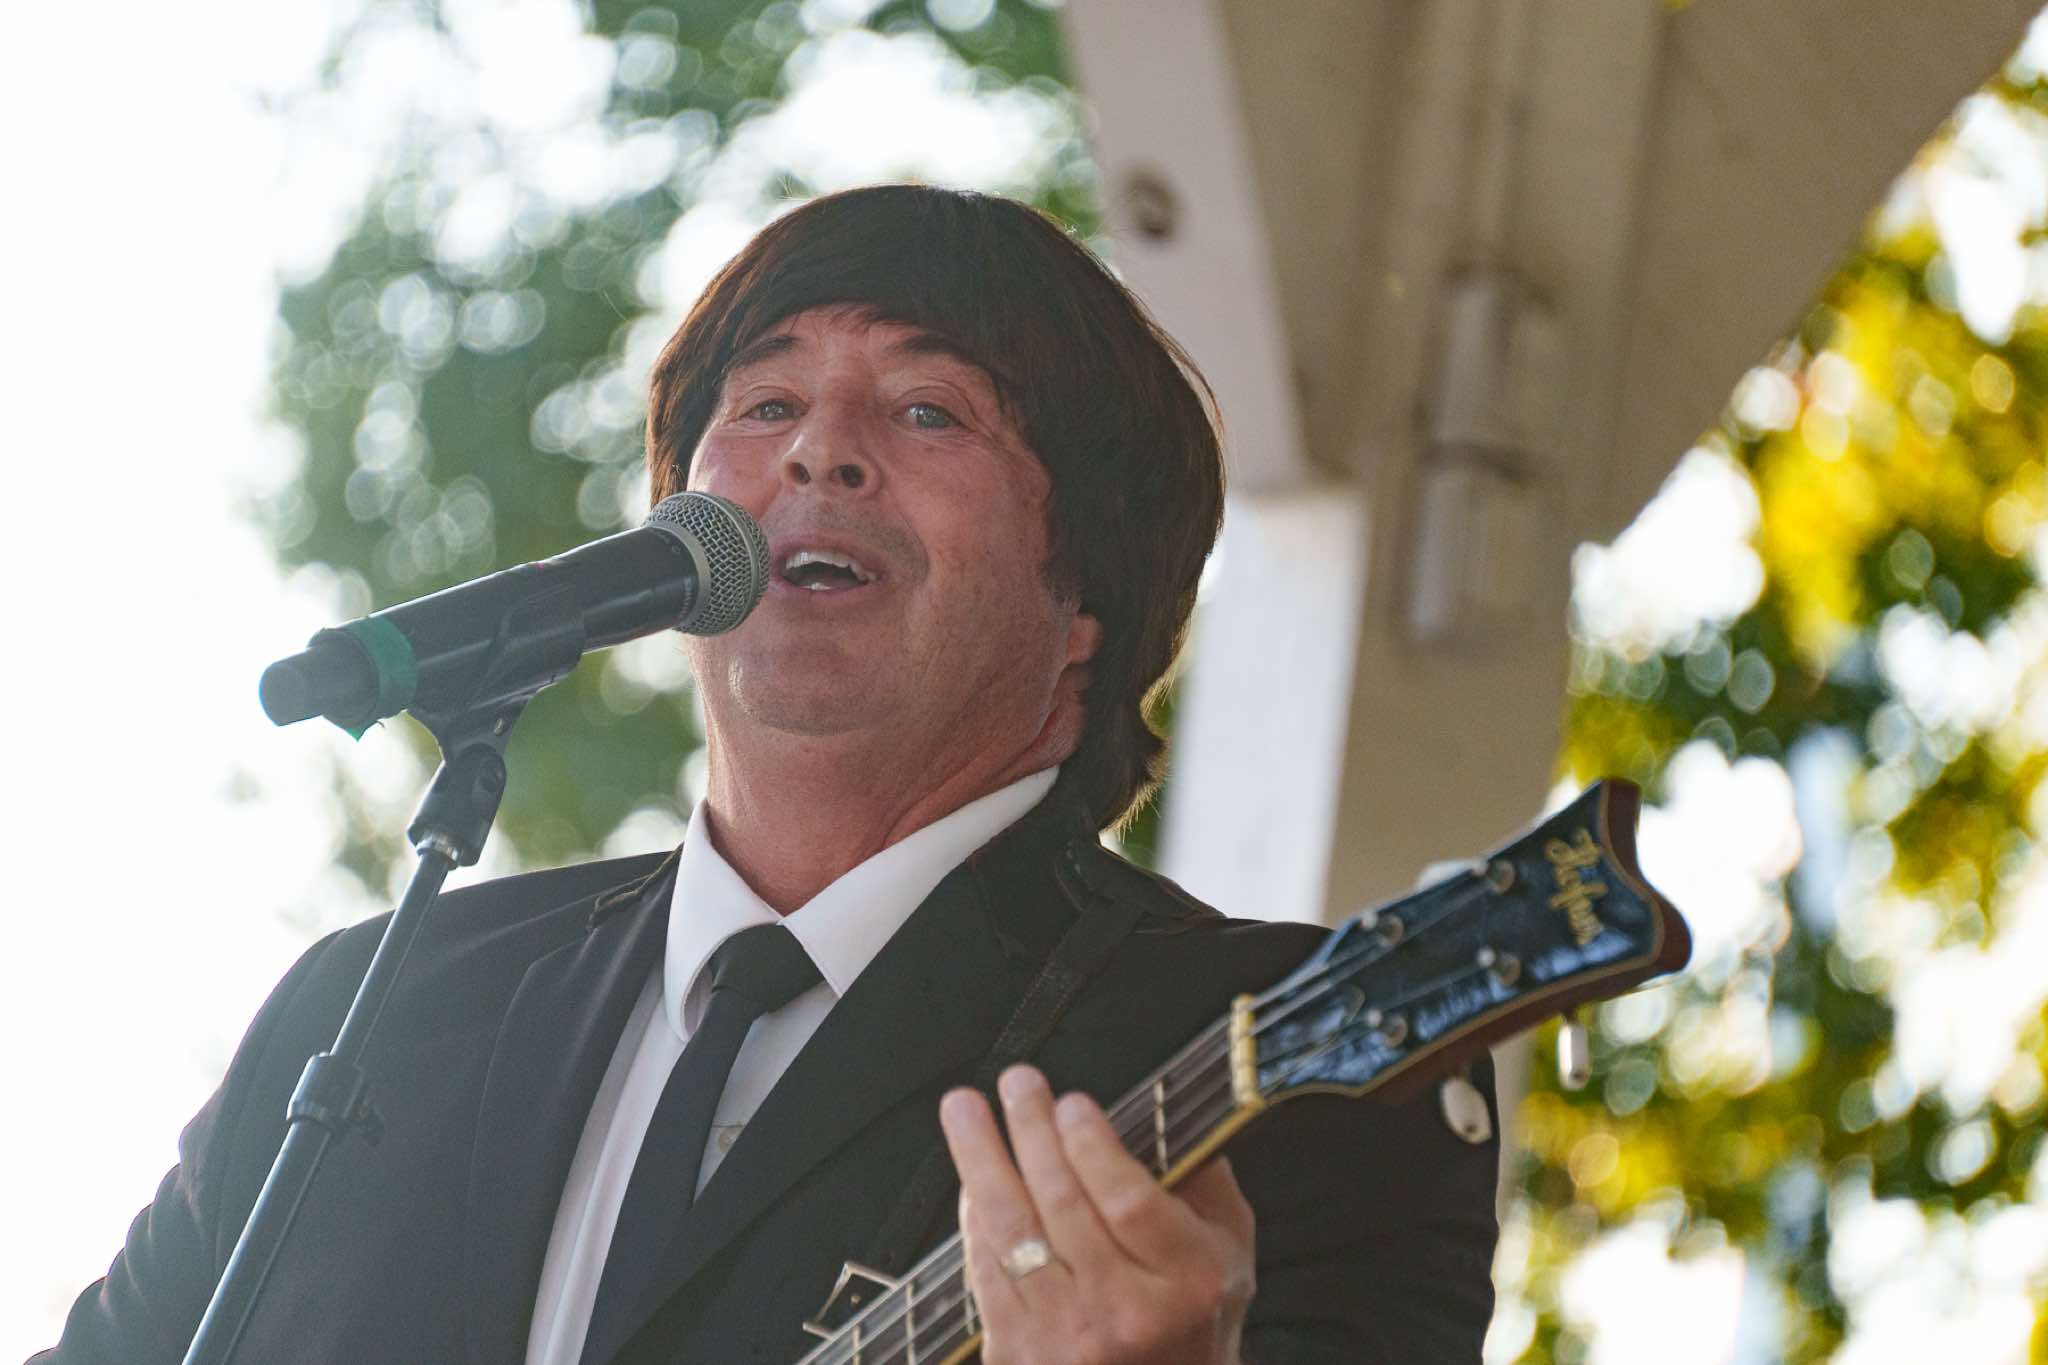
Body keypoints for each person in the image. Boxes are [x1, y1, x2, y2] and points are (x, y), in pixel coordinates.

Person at [35, 185, 1499, 1365]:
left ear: (1087, 602)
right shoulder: (379, 1002)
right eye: (762, 402)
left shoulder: (1293, 1060)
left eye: (930, 411)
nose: (820, 452)